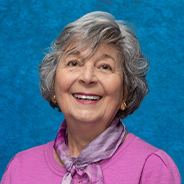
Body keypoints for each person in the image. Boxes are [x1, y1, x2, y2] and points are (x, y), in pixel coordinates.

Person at [1, 11, 181, 184]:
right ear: (54, 83)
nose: (87, 78)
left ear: (126, 91)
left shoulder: (152, 166)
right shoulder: (20, 167)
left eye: (104, 66)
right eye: (74, 63)